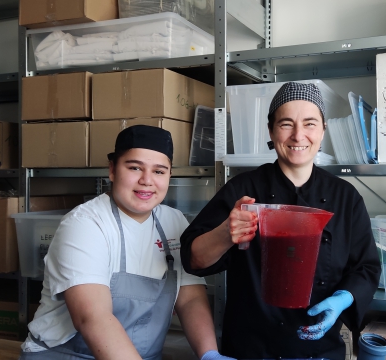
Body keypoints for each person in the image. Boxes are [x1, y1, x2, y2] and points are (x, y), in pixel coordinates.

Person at [180, 82, 381, 359]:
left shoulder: (345, 197)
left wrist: (342, 299)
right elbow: (193, 260)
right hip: (251, 348)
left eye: (310, 124)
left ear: (323, 130)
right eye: (286, 124)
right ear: (271, 131)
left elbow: (366, 267)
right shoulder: (242, 190)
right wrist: (226, 232)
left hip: (319, 351)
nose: (298, 135)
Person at [20, 125, 229, 360]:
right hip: (67, 355)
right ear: (112, 170)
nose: (147, 181)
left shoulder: (174, 221)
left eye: (159, 171)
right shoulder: (85, 224)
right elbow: (93, 318)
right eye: (134, 168)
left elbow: (190, 298)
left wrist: (209, 354)